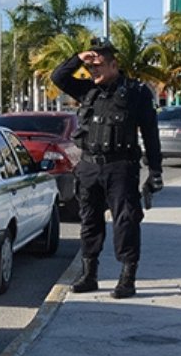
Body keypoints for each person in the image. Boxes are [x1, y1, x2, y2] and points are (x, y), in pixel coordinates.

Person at [50, 37, 163, 299]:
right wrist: (79, 57)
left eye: (98, 66)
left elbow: (150, 133)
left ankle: (127, 278)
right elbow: (59, 76)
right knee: (89, 221)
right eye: (90, 67)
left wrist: (155, 170)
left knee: (126, 221)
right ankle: (89, 275)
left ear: (114, 65)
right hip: (89, 166)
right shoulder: (88, 91)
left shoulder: (136, 93)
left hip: (121, 167)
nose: (93, 71)